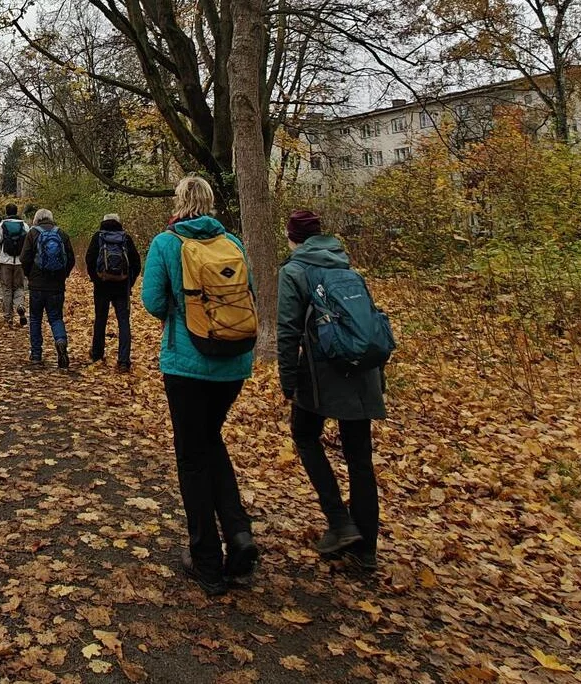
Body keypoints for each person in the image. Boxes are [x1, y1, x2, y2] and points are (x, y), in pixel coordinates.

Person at [141, 176, 258, 596]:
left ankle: (206, 558)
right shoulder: (232, 243)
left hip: (188, 366)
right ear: (209, 203)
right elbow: (250, 294)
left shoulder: (167, 243)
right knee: (211, 442)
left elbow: (153, 302)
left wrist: (180, 306)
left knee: (192, 456)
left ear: (178, 201)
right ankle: (239, 534)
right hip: (233, 362)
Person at [277, 209, 386, 572]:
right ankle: (366, 549)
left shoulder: (294, 271)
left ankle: (339, 520)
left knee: (305, 435)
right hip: (363, 372)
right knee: (359, 459)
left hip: (322, 372)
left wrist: (287, 379)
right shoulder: (346, 266)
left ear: (293, 237)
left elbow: (288, 331)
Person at [85, 213, 141, 372]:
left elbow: (89, 260)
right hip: (122, 287)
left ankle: (97, 354)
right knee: (123, 322)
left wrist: (96, 278)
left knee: (100, 320)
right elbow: (136, 263)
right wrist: (129, 282)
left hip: (102, 286)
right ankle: (123, 361)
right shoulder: (126, 238)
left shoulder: (98, 237)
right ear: (118, 223)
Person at [20, 208, 75, 368]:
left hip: (37, 285)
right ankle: (60, 340)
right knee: (56, 317)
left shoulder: (32, 234)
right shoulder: (62, 234)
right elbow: (70, 259)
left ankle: (36, 354)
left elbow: (24, 258)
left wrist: (30, 275)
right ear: (51, 218)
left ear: (36, 219)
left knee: (36, 318)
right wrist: (63, 275)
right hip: (56, 285)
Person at [0, 204, 29, 328]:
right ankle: (20, 305)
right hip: (20, 262)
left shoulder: (1, 226)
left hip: (5, 262)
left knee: (7, 289)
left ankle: (8, 317)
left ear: (6, 212)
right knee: (19, 287)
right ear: (17, 211)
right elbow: (29, 246)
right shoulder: (24, 226)